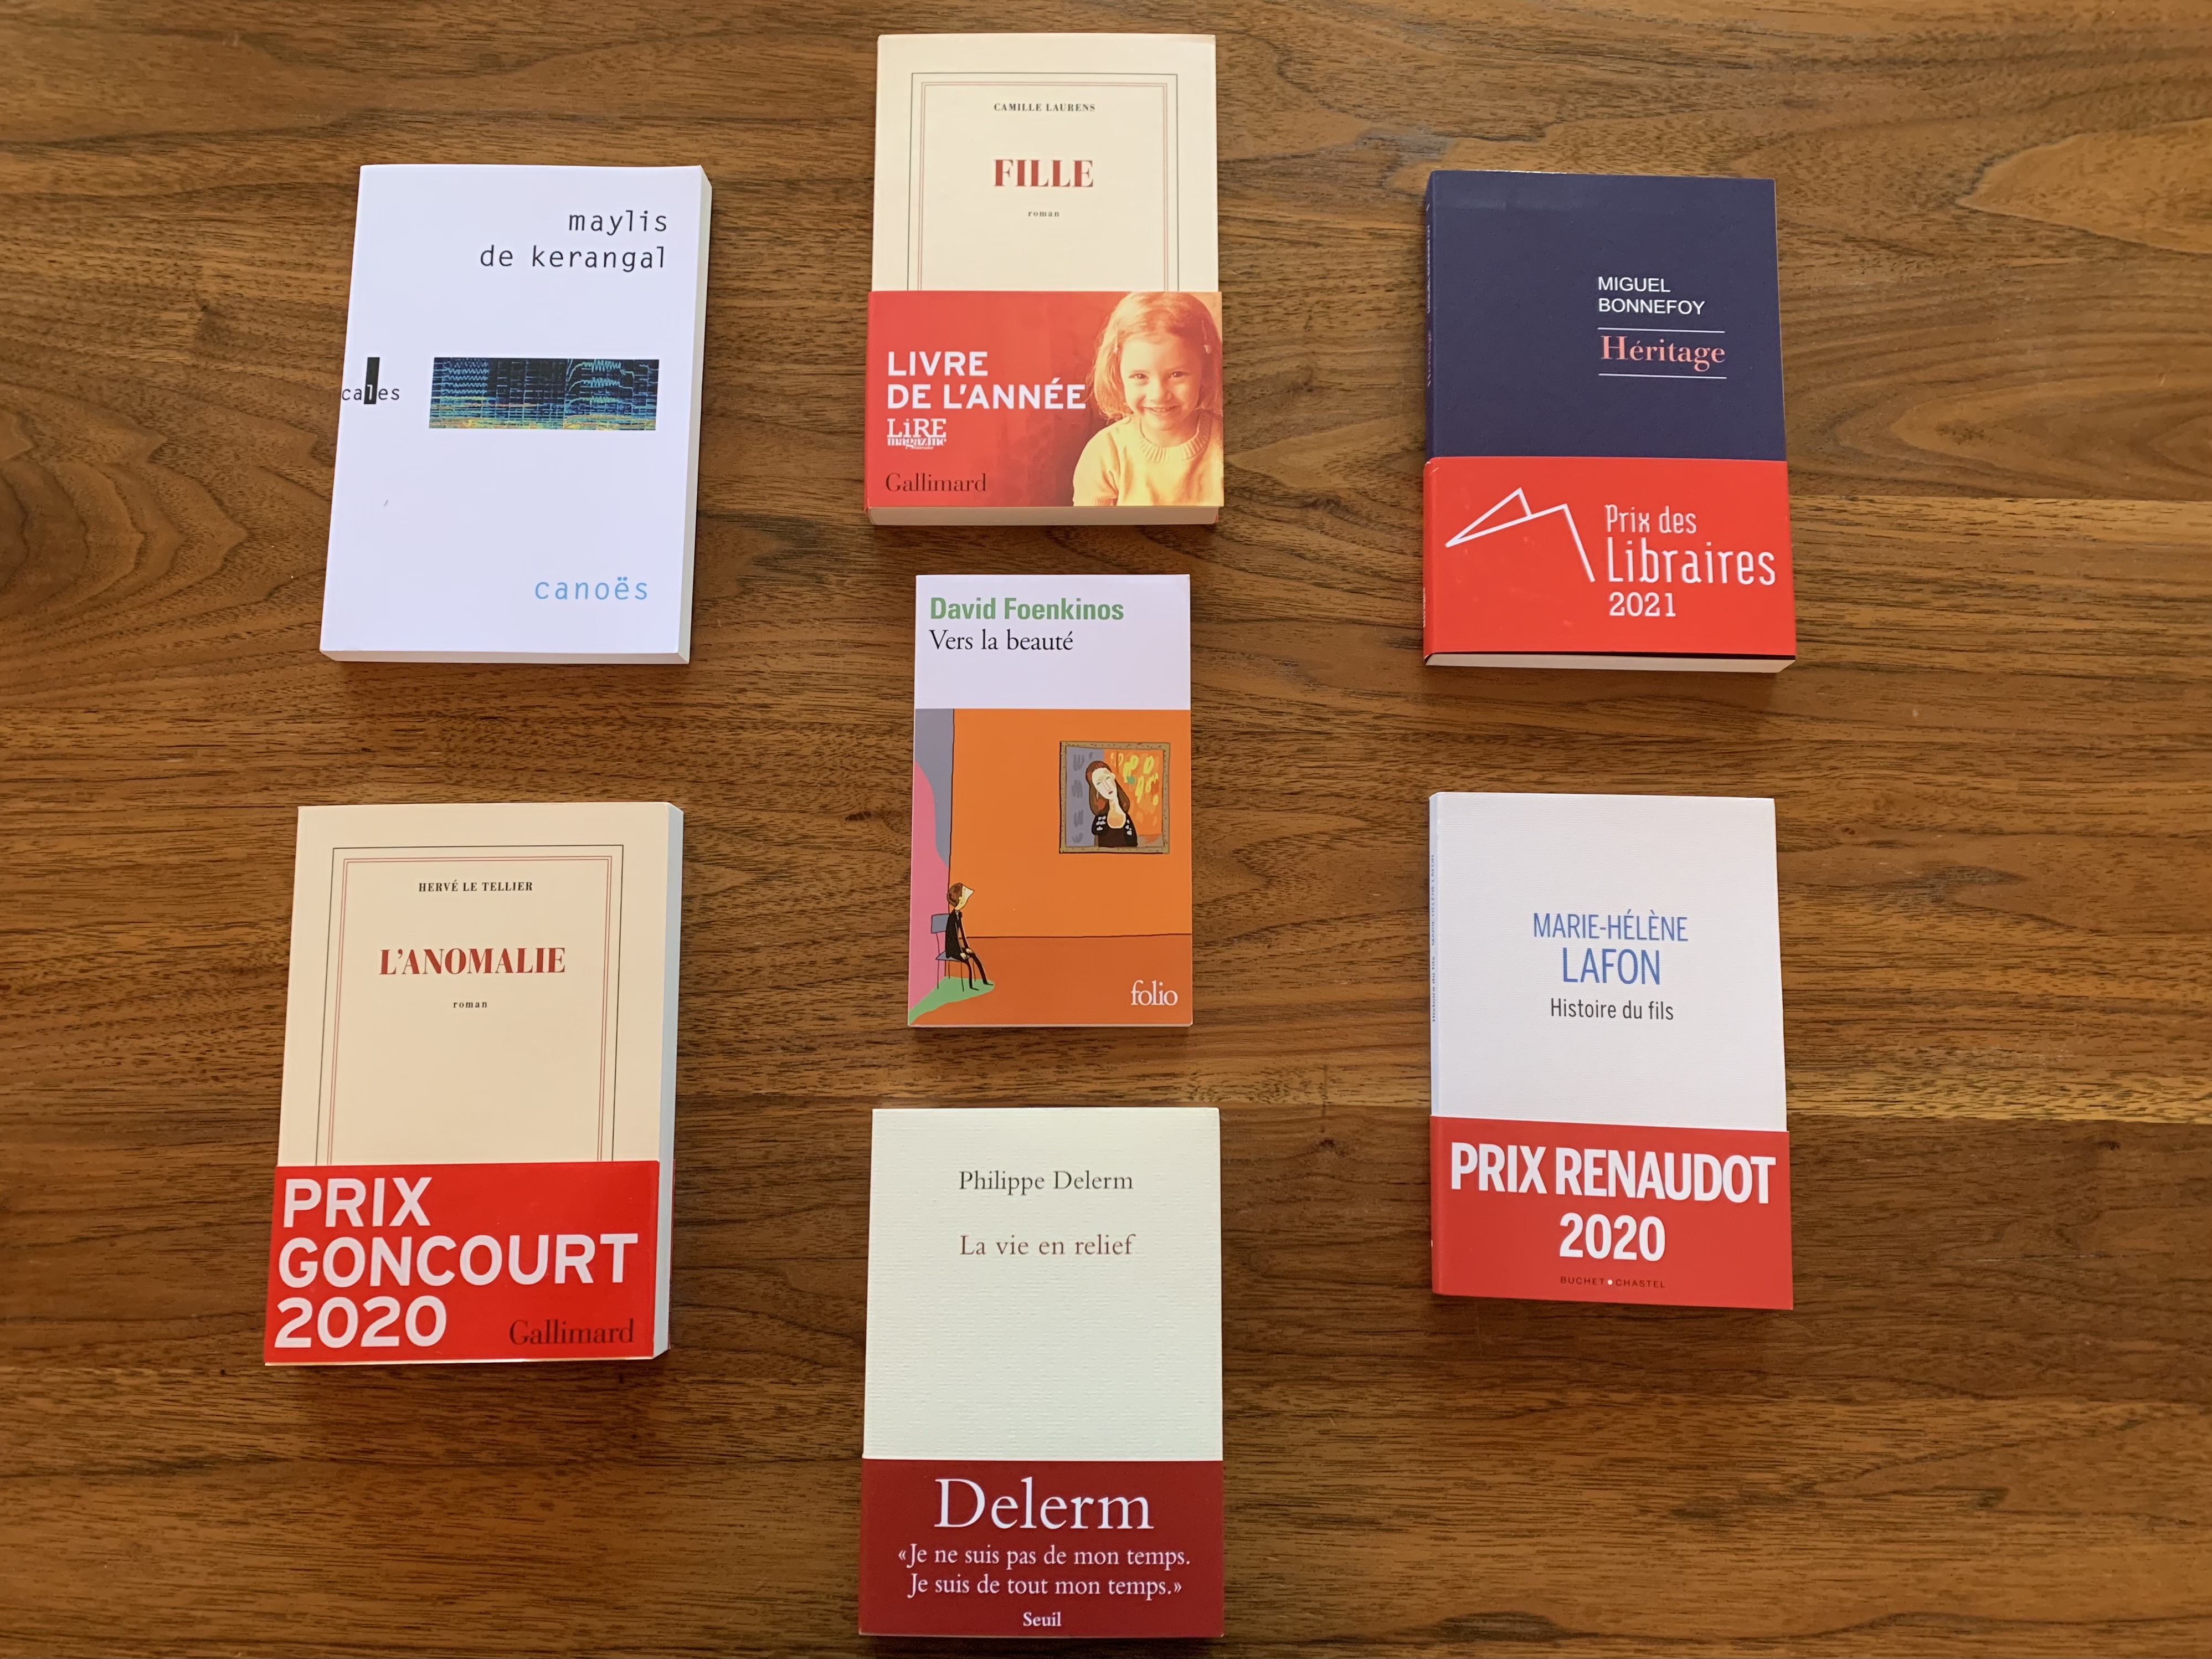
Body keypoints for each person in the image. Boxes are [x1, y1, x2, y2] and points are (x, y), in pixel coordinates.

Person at [1071, 292, 1223, 509]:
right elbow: (1091, 529)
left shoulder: (1225, 446)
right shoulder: (1105, 454)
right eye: (1140, 376)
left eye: (1177, 375)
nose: (1158, 394)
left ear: (1206, 372)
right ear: (1118, 375)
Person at [942, 882, 989, 988]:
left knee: (975, 957)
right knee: (968, 963)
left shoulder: (959, 914)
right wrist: (960, 952)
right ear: (960, 899)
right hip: (952, 949)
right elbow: (953, 937)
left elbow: (962, 933)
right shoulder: (952, 917)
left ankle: (984, 981)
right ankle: (971, 986)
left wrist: (967, 947)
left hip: (958, 947)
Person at [1085, 762, 1140, 848]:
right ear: (1096, 790)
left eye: (1107, 778)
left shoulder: (1127, 819)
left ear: (1113, 776)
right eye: (1099, 783)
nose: (1107, 787)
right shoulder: (1100, 823)